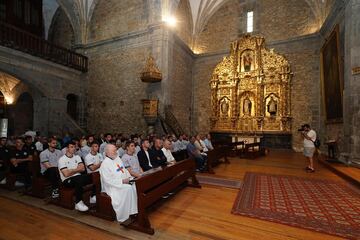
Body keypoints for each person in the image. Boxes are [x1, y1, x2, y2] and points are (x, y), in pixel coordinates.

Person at [99, 144, 138, 223]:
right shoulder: (104, 164)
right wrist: (122, 181)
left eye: (116, 150)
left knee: (135, 185)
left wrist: (130, 178)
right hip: (112, 187)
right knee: (128, 188)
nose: (116, 152)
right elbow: (107, 181)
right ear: (107, 152)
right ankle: (128, 213)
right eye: (114, 150)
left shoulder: (117, 159)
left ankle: (134, 210)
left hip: (123, 181)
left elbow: (124, 170)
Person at [58, 141, 96, 212]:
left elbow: (83, 169)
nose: (74, 148)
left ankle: (93, 196)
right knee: (78, 179)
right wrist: (77, 169)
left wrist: (71, 170)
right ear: (67, 149)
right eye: (71, 147)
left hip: (78, 178)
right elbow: (66, 174)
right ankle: (78, 202)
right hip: (67, 181)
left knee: (94, 176)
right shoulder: (62, 159)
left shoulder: (77, 157)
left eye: (74, 147)